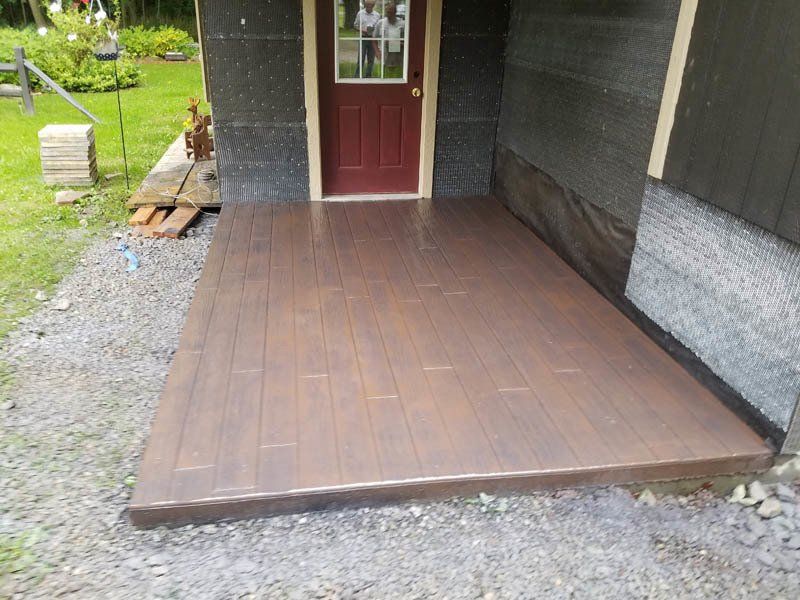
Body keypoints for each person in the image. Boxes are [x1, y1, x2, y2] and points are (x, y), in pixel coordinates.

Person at [353, 0, 381, 78]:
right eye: (367, 4)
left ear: (374, 5)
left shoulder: (377, 15)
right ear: (365, 4)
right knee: (361, 58)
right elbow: (355, 26)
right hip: (363, 38)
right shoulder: (360, 13)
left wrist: (374, 30)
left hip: (373, 39)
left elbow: (379, 28)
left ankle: (368, 76)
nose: (369, 6)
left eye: (371, 5)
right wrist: (363, 30)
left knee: (371, 59)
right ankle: (357, 76)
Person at [374, 3, 405, 71]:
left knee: (397, 74)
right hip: (385, 55)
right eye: (387, 12)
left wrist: (396, 44)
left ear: (395, 12)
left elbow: (408, 41)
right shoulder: (380, 23)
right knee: (384, 75)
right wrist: (377, 51)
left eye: (390, 12)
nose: (388, 14)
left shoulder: (403, 24)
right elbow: (374, 38)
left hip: (398, 56)